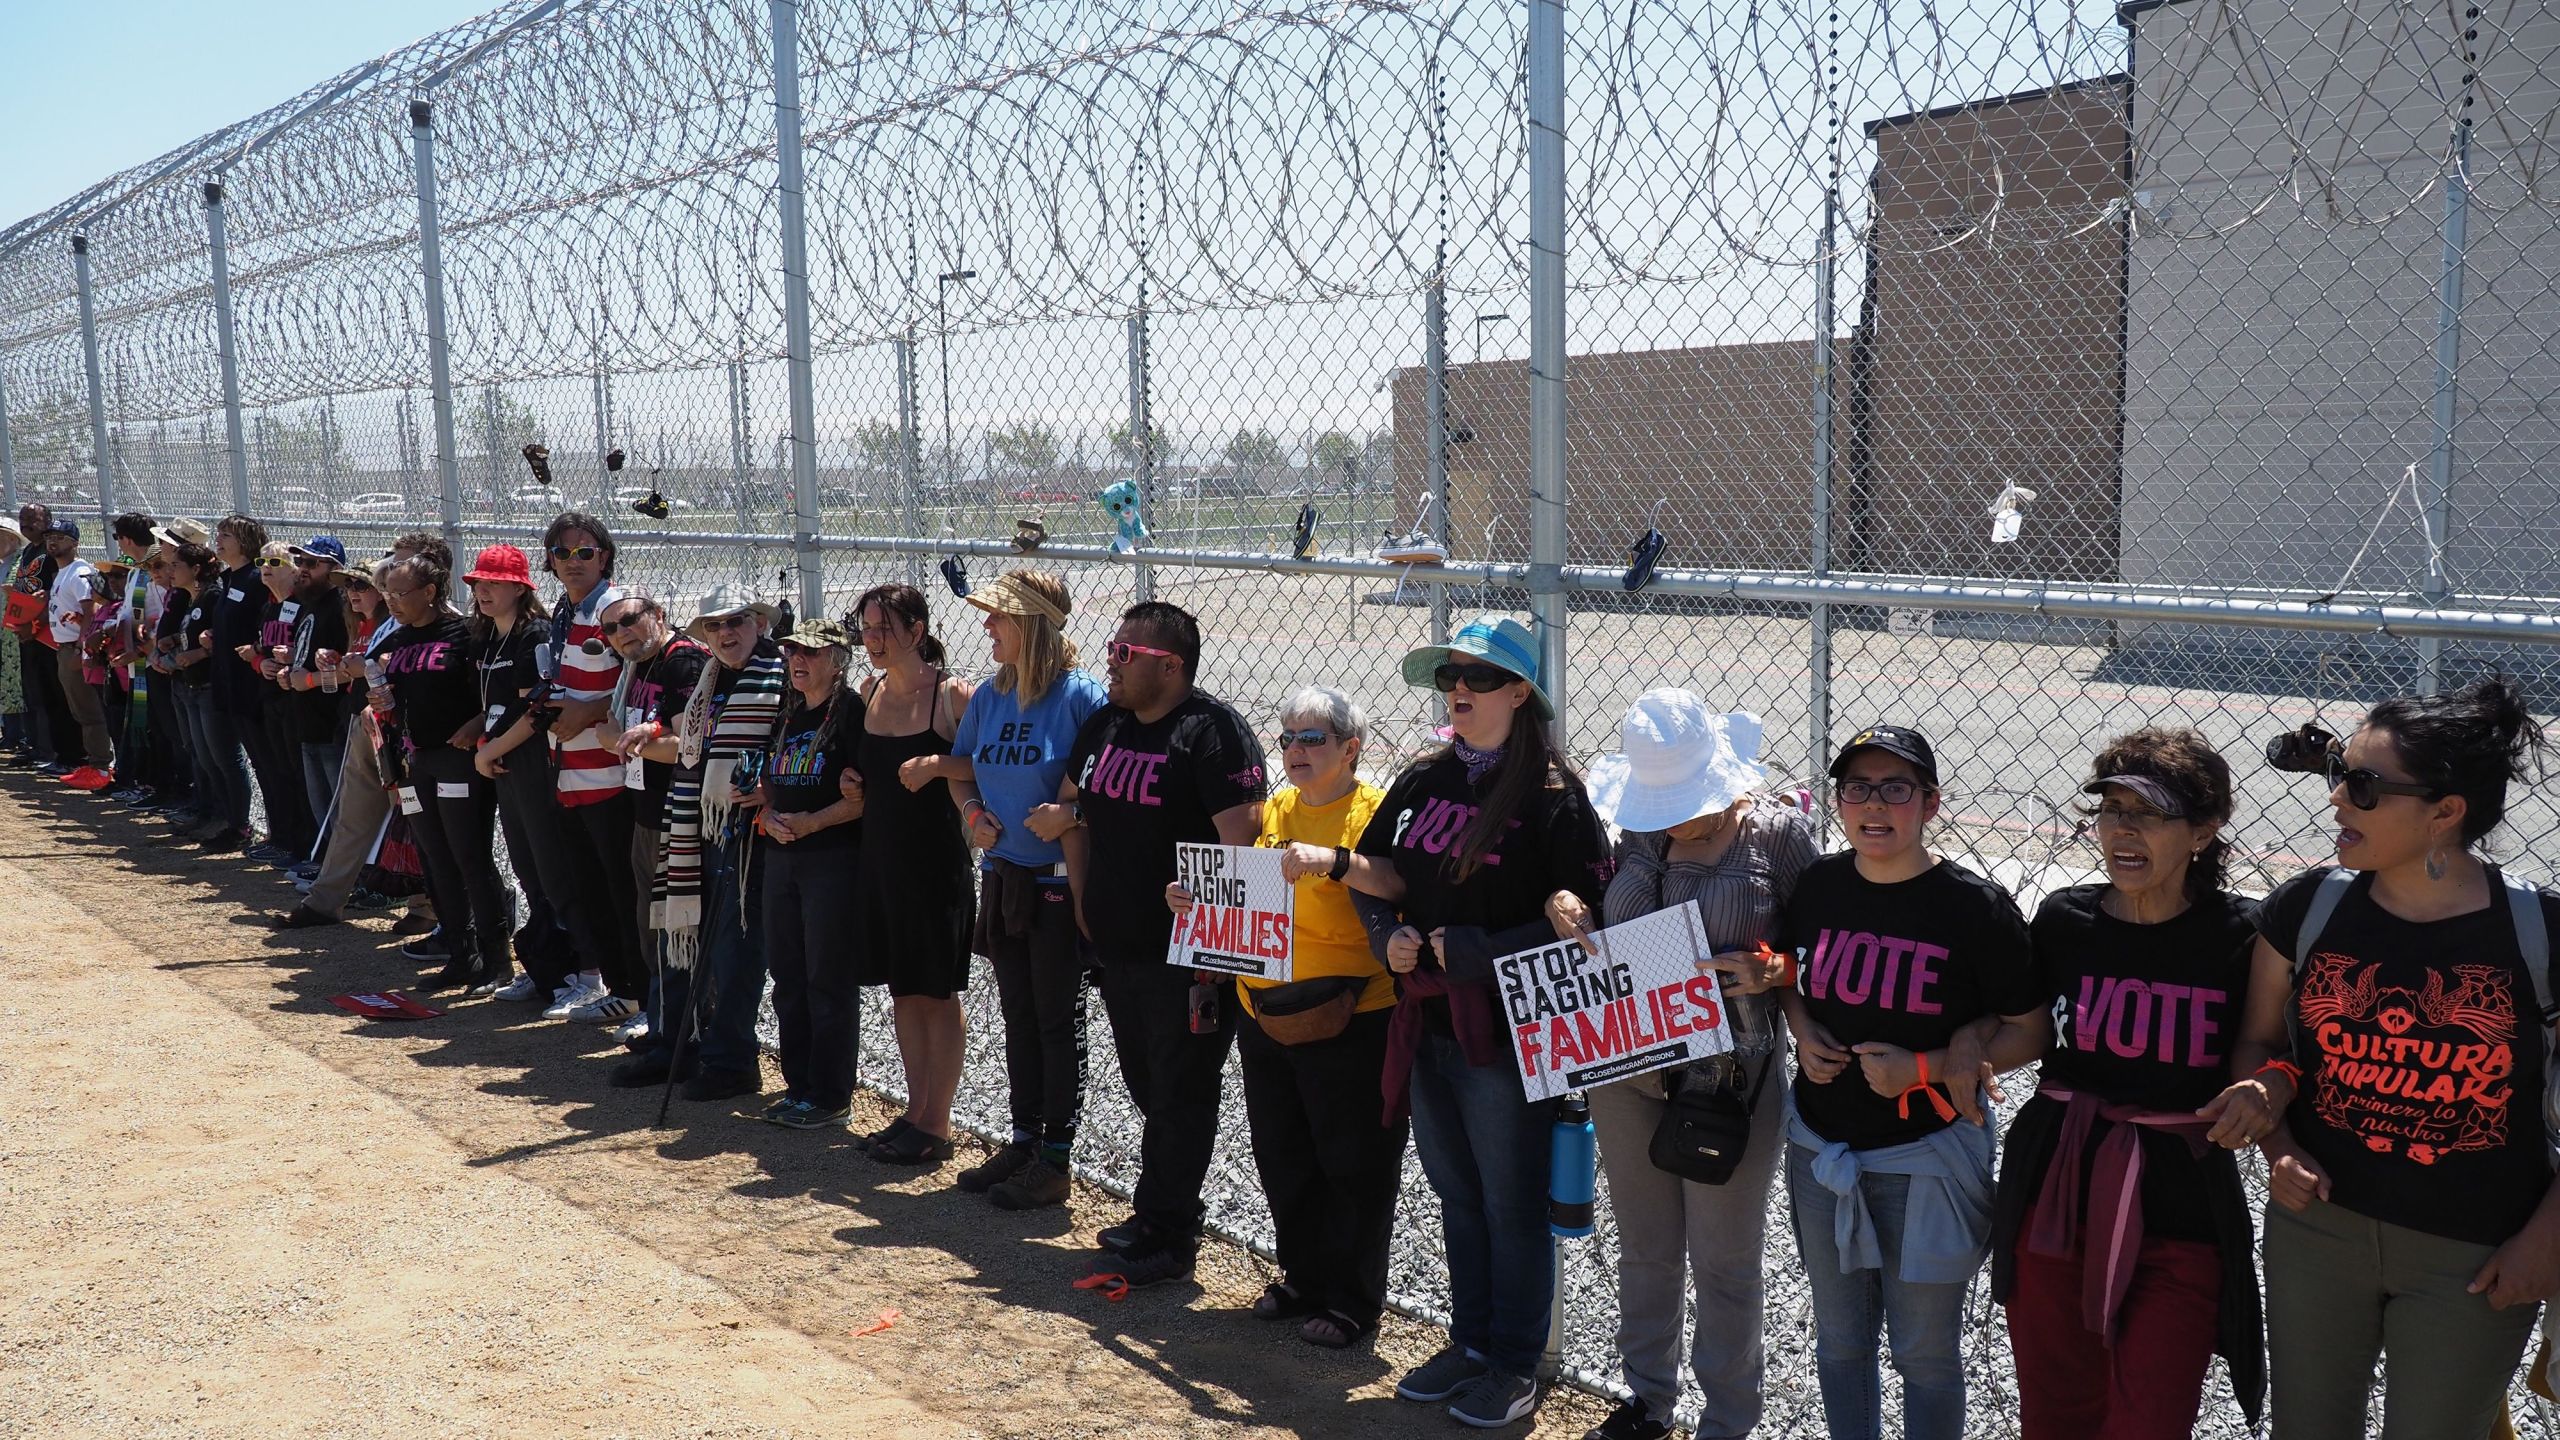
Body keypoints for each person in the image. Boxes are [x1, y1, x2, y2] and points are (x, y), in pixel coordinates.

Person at [2211, 677, 2559, 1440]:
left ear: (2444, 811)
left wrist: (2547, 1238)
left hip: (2475, 1256)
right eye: (2339, 773)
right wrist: (2275, 1138)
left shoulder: (2540, 935)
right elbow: (2259, 1045)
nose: (2336, 798)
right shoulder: (2308, 908)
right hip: (2318, 1234)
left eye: (2362, 784)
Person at [1345, 614, 1610, 1429]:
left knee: (1510, 1205)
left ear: (1520, 692)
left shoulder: (1555, 800)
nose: (1460, 689)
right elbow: (1374, 872)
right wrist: (1386, 937)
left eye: (1481, 677)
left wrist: (1479, 949)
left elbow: (1587, 925)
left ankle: (1517, 1363)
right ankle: (1471, 1343)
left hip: (1505, 1035)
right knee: (1458, 1196)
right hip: (1426, 1022)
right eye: (1450, 675)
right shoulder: (1426, 777)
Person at [1985, 728, 2264, 1439]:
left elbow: (2267, 1052)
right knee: (2054, 1408)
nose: (2122, 830)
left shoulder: (2243, 936)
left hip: (2181, 1202)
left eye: (2150, 813)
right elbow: (2027, 1029)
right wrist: (1961, 1050)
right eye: (2111, 810)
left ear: (2204, 832)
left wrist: (2267, 1091)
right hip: (2057, 1184)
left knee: (2152, 1417)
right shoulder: (2063, 920)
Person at [1776, 724, 2048, 1440]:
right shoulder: (1819, 885)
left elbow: (2031, 1027)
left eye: (1896, 788)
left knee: (1925, 1354)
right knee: (1840, 1342)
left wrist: (1923, 1070)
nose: (1874, 805)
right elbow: (1789, 977)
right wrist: (1801, 1031)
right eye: (1857, 787)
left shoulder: (1973, 907)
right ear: (1837, 802)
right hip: (1819, 1148)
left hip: (1924, 1154)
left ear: (1930, 803)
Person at [1576, 691, 1817, 1440]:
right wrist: (1567, 903)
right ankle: (1648, 1399)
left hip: (1733, 1080)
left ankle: (1729, 1420)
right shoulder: (1637, 829)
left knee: (1724, 1260)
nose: (1671, 813)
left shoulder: (1775, 835)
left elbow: (1829, 948)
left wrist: (1775, 971)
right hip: (1632, 1067)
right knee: (1645, 1248)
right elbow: (1607, 921)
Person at [1166, 684, 1403, 1349]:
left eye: (1313, 739)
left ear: (1351, 749)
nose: (1296, 750)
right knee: (1283, 1152)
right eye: (1288, 738)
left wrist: (1333, 863)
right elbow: (1244, 898)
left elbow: (1400, 883)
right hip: (1266, 1011)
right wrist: (1193, 899)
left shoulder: (1372, 810)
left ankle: (1354, 1299)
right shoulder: (1275, 810)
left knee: (1352, 1160)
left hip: (1349, 1012)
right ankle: (1305, 1276)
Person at [1043, 599, 1268, 1283]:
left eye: (1125, 654)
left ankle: (1170, 1234)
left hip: (1188, 954)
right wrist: (1081, 897)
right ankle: (1157, 1214)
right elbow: (1070, 810)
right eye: (1112, 649)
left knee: (1180, 1090)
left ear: (1168, 666)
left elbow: (1244, 842)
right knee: (1149, 1084)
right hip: (1117, 942)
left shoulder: (1211, 733)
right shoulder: (1107, 721)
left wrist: (1212, 934)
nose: (1109, 662)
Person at [945, 571, 1105, 1209]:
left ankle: (1056, 1157)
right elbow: (966, 771)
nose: (987, 626)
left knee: (1054, 1017)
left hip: (1060, 882)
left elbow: (1107, 788)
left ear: (1033, 625)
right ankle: (1023, 1138)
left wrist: (1073, 816)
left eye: (999, 617)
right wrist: (972, 814)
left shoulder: (1080, 698)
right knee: (1017, 1015)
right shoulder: (990, 695)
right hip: (1005, 875)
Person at [612, 586, 786, 1105]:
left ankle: (732, 1061)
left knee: (735, 948)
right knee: (678, 933)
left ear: (758, 623)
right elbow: (689, 739)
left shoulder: (778, 680)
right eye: (714, 626)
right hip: (695, 825)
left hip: (748, 833)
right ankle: (677, 1042)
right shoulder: (710, 680)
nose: (726, 633)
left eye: (736, 622)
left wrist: (765, 791)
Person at [846, 582, 976, 1165]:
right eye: (867, 628)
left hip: (935, 866)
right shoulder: (868, 690)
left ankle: (938, 1123)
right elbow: (860, 769)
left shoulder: (952, 697)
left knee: (936, 991)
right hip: (880, 865)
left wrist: (939, 764)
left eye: (884, 629)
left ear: (917, 631)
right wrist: (854, 783)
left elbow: (989, 763)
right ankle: (916, 1108)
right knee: (903, 989)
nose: (873, 640)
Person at [466, 542, 610, 1010]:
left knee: (555, 871)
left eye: (496, 583)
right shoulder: (489, 634)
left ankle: (586, 973)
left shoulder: (536, 634)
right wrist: (482, 741)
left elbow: (533, 713)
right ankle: (546, 966)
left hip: (531, 760)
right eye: (479, 584)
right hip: (503, 761)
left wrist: (489, 752)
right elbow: (494, 704)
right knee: (528, 869)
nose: (484, 592)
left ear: (520, 588)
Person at [273, 535, 441, 932]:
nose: (389, 572)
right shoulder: (390, 621)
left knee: (417, 822)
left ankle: (427, 907)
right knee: (352, 816)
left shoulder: (442, 623)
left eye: (401, 564)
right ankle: (325, 902)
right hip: (371, 728)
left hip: (410, 740)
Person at [374, 553, 511, 989]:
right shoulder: (396, 640)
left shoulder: (464, 634)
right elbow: (370, 671)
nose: (392, 602)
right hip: (414, 763)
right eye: (387, 594)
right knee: (434, 857)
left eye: (401, 593)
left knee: (468, 856)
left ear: (430, 592)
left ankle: (496, 957)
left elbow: (493, 691)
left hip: (457, 758)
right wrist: (375, 698)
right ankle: (459, 951)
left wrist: (479, 722)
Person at [753, 617, 867, 1127]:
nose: (799, 660)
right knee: (788, 975)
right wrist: (766, 816)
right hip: (783, 856)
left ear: (838, 660)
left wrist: (812, 822)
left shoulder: (851, 713)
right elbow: (772, 782)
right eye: (794, 651)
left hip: (832, 859)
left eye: (813, 653)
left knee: (827, 977)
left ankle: (829, 1095)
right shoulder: (789, 708)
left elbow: (864, 798)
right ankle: (799, 1086)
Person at [537, 513, 649, 1022]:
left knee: (622, 891)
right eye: (563, 553)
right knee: (592, 888)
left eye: (585, 552)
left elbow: (644, 679)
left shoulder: (612, 607)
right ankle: (620, 988)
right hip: (568, 770)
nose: (573, 562)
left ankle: (644, 997)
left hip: (609, 774)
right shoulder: (566, 609)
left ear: (604, 556)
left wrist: (591, 709)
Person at [607, 586, 707, 1049]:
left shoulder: (681, 660)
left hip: (679, 813)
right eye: (610, 628)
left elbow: (688, 742)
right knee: (653, 921)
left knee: (675, 925)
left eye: (629, 621)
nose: (621, 633)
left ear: (657, 614)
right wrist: (632, 740)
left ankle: (681, 1027)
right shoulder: (635, 665)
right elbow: (622, 735)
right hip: (647, 809)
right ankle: (663, 1018)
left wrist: (633, 741)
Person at [187, 515, 267, 853]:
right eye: (218, 534)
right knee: (218, 755)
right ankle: (232, 821)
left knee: (250, 760)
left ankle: (243, 827)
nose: (218, 539)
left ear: (246, 541)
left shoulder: (254, 578)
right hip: (224, 680)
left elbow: (258, 627)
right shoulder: (229, 578)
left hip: (249, 683)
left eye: (226, 535)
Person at [242, 539, 317, 866]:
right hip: (270, 697)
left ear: (294, 570)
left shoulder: (303, 605)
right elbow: (262, 648)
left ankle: (304, 847)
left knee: (298, 776)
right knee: (278, 773)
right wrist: (259, 662)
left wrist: (288, 662)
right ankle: (285, 839)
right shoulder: (270, 605)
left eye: (275, 563)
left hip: (295, 701)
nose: (265, 569)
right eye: (262, 562)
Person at [279, 537, 351, 855]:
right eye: (301, 562)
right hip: (307, 722)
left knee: (340, 810)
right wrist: (289, 669)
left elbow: (349, 667)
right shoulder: (308, 603)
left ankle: (346, 877)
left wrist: (307, 679)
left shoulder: (340, 606)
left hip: (331, 723)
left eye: (312, 563)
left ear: (334, 569)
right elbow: (307, 653)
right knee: (321, 807)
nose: (303, 569)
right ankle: (325, 866)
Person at [40, 519, 113, 791]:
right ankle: (94, 762)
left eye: (60, 536)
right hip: (64, 647)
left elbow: (91, 610)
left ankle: (101, 766)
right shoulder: (62, 571)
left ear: (74, 542)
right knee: (79, 710)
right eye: (49, 536)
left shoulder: (79, 570)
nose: (52, 541)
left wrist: (83, 649)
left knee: (90, 711)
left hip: (75, 648)